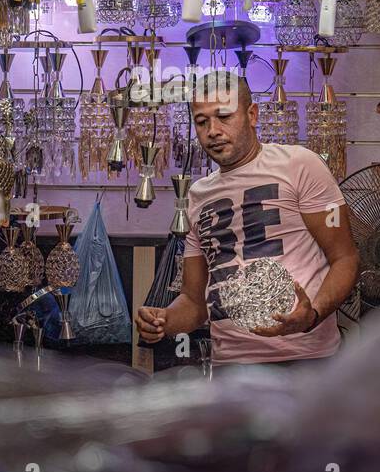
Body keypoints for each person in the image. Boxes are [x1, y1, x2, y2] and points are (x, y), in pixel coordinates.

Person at [135, 71, 359, 367]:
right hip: (231, 369)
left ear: (252, 114)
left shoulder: (300, 165)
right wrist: (164, 320)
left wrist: (313, 314)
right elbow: (193, 301)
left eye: (224, 116)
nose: (212, 130)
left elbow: (345, 258)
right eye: (202, 122)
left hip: (306, 361)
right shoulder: (198, 196)